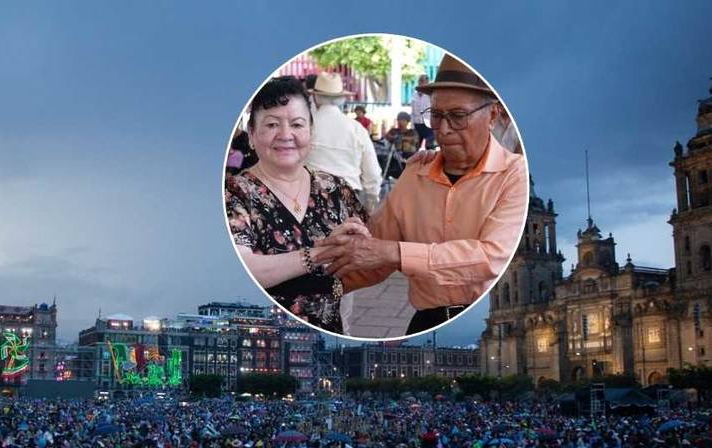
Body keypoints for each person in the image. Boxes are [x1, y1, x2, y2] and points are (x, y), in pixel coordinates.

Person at [315, 54, 527, 336]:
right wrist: (320, 280)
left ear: (493, 115)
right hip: (426, 321)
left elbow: (490, 258)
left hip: (485, 321)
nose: (444, 129)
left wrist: (395, 253)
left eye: (458, 116)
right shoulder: (415, 175)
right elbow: (372, 256)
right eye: (437, 115)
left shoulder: (515, 175)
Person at [224, 76, 372, 334]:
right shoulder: (235, 193)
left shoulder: (334, 188)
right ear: (251, 134)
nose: (285, 135)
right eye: (271, 124)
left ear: (311, 132)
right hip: (268, 333)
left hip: (328, 335)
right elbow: (244, 268)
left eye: (297, 124)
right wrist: (321, 253)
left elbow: (368, 242)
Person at [305, 73, 382, 212]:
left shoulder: (307, 127)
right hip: (348, 199)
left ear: (315, 97)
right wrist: (372, 201)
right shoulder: (356, 129)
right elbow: (373, 173)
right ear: (341, 99)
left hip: (311, 198)